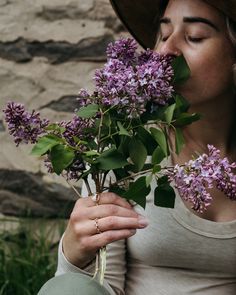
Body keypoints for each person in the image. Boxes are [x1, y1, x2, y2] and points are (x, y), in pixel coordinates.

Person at [38, 0, 236, 294]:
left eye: (194, 36)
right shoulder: (123, 144)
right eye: (164, 34)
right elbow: (97, 286)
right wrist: (74, 254)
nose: (167, 52)